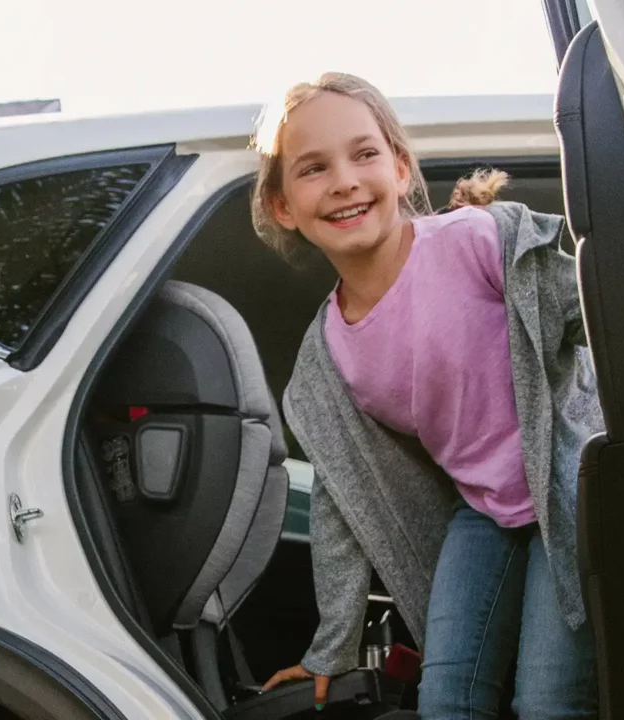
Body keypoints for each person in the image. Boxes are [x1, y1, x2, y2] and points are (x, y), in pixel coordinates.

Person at [251, 72, 604, 719]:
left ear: (402, 167)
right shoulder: (329, 356)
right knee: (447, 700)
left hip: (568, 489)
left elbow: (605, 301)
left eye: (365, 154)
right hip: (484, 513)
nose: (345, 181)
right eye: (313, 168)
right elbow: (340, 494)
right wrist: (332, 648)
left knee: (548, 700)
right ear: (283, 207)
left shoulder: (475, 242)